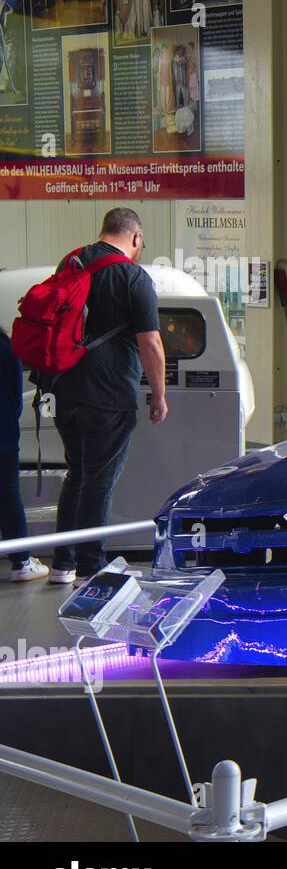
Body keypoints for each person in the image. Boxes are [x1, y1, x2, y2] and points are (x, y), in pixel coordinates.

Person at [48, 208, 168, 586]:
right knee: (99, 480)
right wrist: (159, 395)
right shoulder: (134, 277)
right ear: (135, 238)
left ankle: (62, 565)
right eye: (142, 244)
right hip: (109, 393)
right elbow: (150, 343)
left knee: (77, 474)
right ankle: (89, 567)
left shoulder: (71, 261)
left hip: (63, 388)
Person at [0, 330, 47, 582]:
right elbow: (16, 396)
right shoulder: (6, 347)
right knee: (8, 498)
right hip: (2, 435)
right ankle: (21, 563)